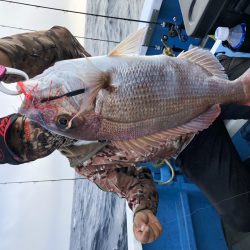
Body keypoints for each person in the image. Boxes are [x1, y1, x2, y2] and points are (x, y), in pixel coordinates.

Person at [1, 26, 250, 244]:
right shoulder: (86, 165)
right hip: (191, 144)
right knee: (241, 216)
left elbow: (56, 43)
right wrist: (143, 209)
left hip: (190, 83)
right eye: (21, 149)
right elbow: (133, 184)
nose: (29, 140)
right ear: (29, 160)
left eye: (18, 132)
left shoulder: (76, 79)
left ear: (18, 118)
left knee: (242, 85)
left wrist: (6, 55)